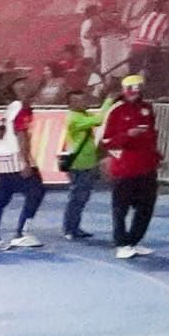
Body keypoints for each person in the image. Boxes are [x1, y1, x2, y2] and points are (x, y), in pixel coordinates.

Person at [100, 77, 164, 258]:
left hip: (146, 167)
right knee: (121, 208)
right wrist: (127, 135)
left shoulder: (147, 108)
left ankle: (134, 240)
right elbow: (106, 140)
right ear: (123, 89)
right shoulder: (116, 110)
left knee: (146, 207)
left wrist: (156, 156)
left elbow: (152, 136)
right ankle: (121, 243)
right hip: (125, 168)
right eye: (130, 87)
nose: (134, 91)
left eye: (137, 87)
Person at [0, 81, 48, 250]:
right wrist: (25, 162)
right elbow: (21, 135)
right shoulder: (21, 109)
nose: (25, 91)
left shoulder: (10, 108)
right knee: (36, 191)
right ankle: (21, 233)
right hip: (16, 159)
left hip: (3, 160)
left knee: (0, 200)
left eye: (26, 88)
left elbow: (0, 129)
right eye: (21, 89)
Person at [55, 88, 104, 244]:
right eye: (80, 100)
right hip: (79, 165)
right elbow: (100, 120)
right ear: (71, 103)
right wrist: (109, 101)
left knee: (82, 198)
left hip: (88, 163)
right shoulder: (73, 118)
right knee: (77, 198)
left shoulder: (84, 114)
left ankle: (74, 227)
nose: (85, 102)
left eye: (84, 99)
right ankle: (69, 228)